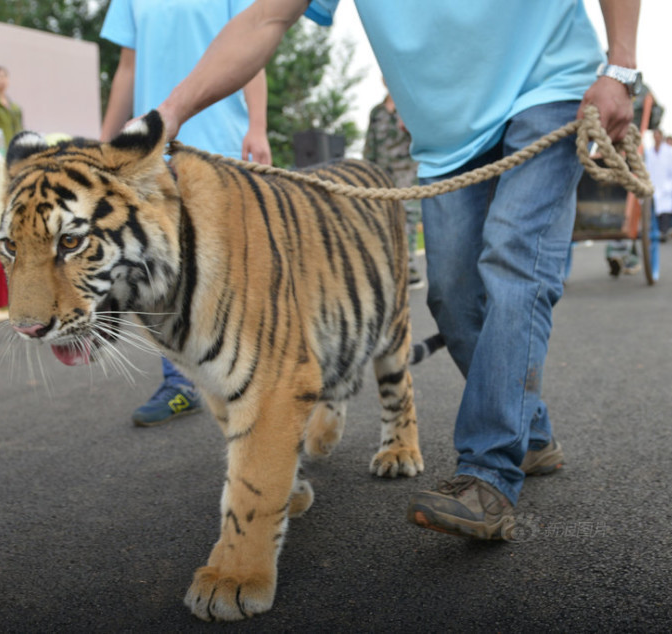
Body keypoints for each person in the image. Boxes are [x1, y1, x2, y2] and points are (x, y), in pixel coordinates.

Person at [155, 0, 638, 539]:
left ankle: (488, 471)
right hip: (449, 136)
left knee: (513, 259)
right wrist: (169, 113)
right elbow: (263, 19)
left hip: (550, 88)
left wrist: (620, 66)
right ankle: (532, 434)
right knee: (452, 297)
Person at [100, 0, 272, 427]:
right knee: (161, 267)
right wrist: (104, 144)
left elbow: (255, 40)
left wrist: (258, 125)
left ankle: (252, 371)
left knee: (233, 268)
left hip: (222, 140)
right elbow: (127, 68)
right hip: (153, 148)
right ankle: (181, 382)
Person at [363, 83, 424, 289]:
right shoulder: (377, 112)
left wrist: (413, 125)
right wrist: (366, 173)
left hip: (406, 171)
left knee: (407, 217)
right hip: (382, 174)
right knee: (382, 219)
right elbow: (369, 145)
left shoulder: (410, 107)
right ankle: (388, 268)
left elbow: (424, 137)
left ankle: (408, 268)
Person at [645, 129, 672, 241]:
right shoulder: (648, 152)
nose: (656, 138)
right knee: (655, 211)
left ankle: (663, 232)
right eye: (654, 136)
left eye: (658, 136)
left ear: (661, 137)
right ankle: (657, 231)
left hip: (666, 185)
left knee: (665, 211)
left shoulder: (669, 152)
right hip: (653, 184)